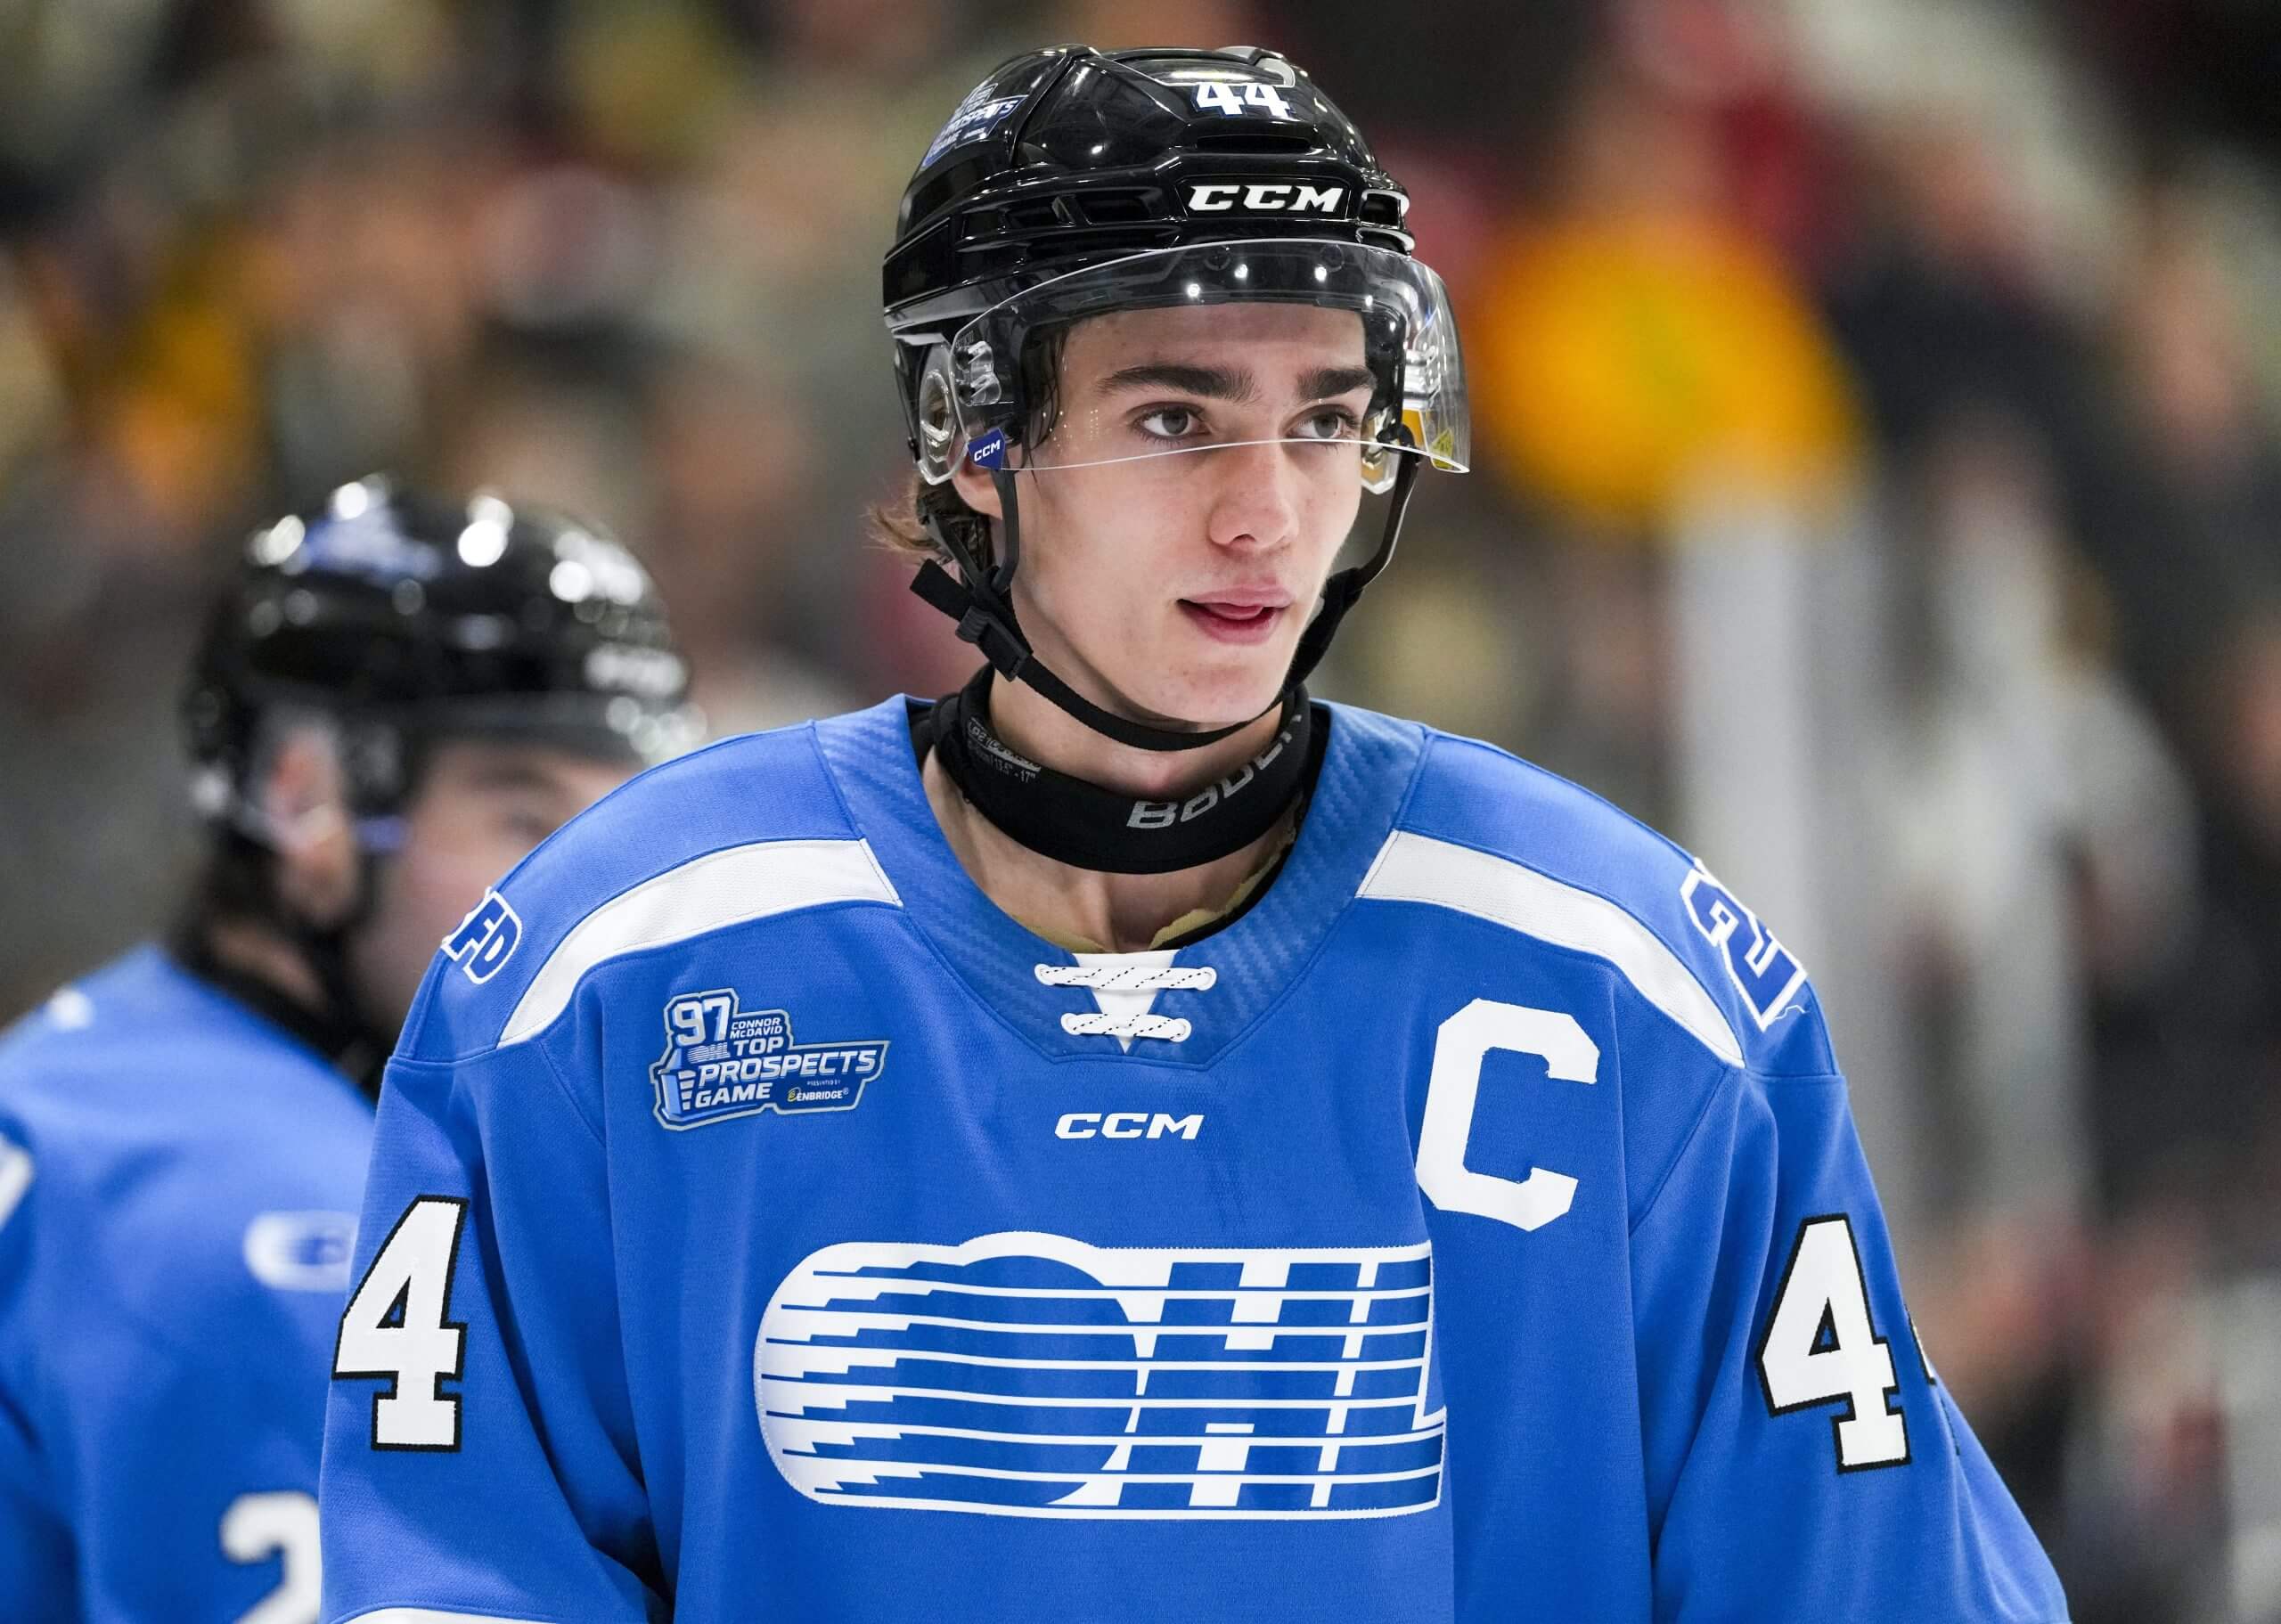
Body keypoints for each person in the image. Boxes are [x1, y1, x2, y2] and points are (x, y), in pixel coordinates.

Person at [316, 46, 2068, 1623]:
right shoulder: (607, 971)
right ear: (973, 443)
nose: (1267, 515)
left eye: (1324, 419)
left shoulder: (1640, 992)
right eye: (1175, 419)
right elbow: (452, 1573)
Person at [0, 480, 694, 1621]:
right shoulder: (300, 1224)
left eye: (621, 828)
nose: (595, 899)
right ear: (307, 795)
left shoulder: (101, 1081)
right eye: (526, 819)